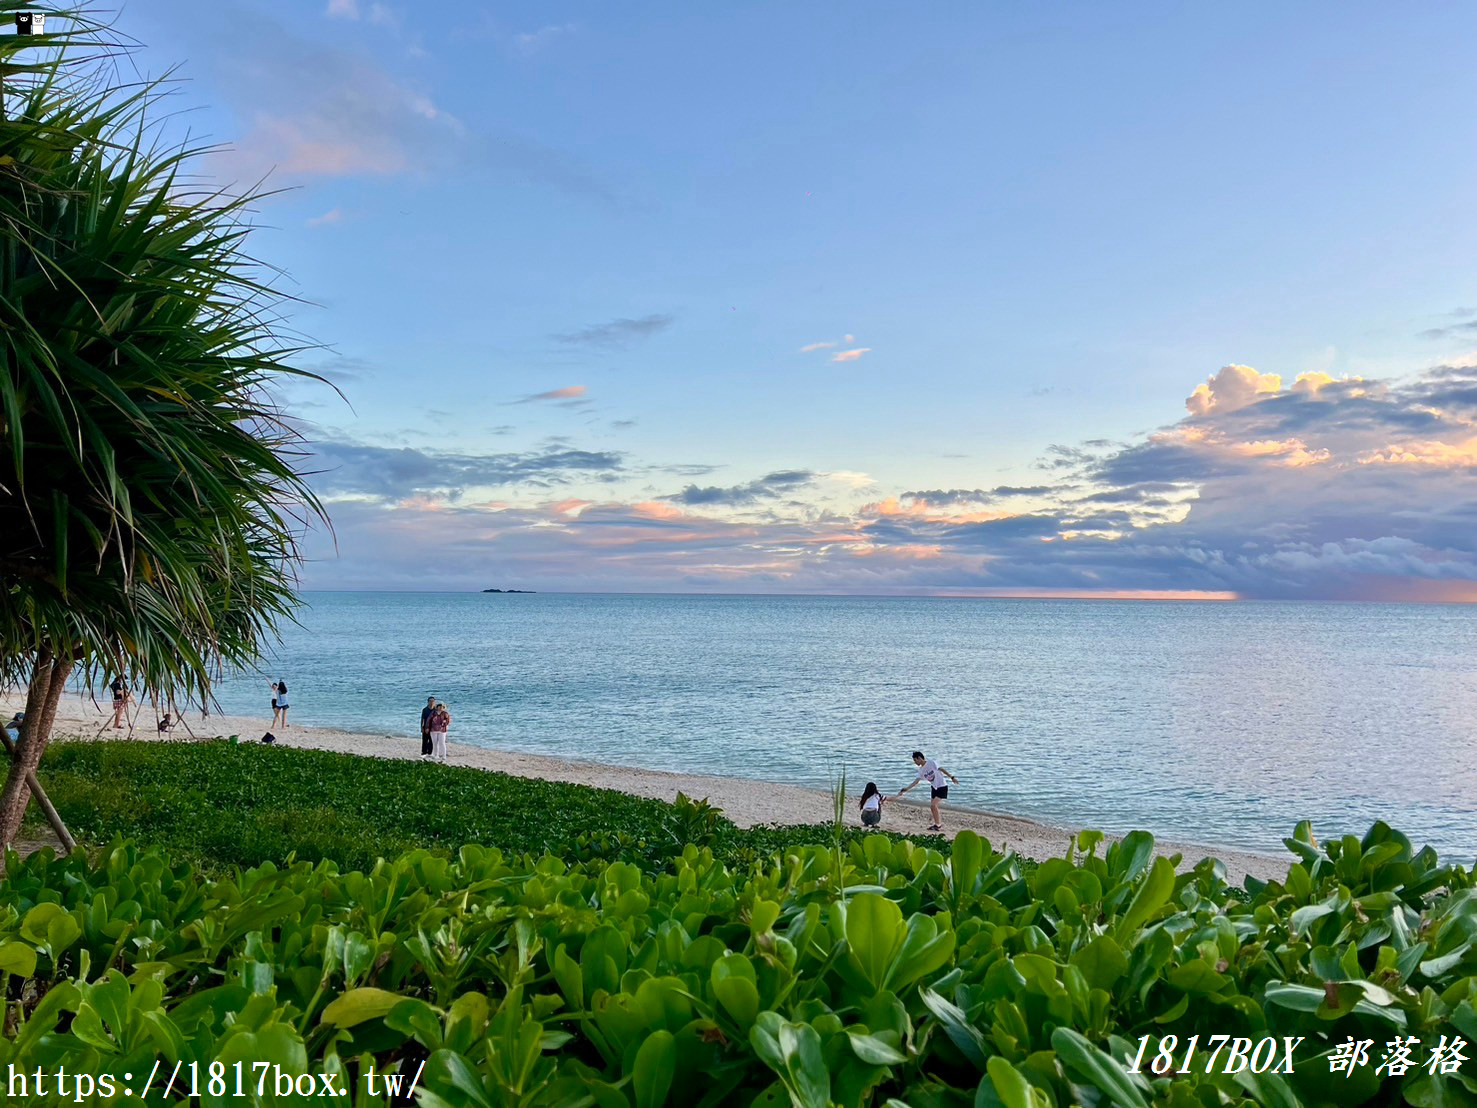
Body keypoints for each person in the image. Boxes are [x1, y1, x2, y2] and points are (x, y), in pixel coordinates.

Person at [894, 750, 960, 833]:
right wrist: (906, 789)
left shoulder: (931, 763)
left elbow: (941, 769)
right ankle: (937, 824)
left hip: (942, 786)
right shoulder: (921, 770)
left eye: (915, 760)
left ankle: (938, 825)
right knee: (932, 807)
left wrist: (952, 777)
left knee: (933, 805)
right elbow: (916, 781)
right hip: (934, 788)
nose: (915, 762)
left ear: (919, 758)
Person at [419, 695, 436, 759]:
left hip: (433, 727)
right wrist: (422, 727)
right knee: (425, 740)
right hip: (425, 727)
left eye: (433, 701)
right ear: (428, 702)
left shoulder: (436, 710)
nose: (431, 702)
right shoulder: (425, 710)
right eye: (430, 701)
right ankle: (424, 752)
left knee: (432, 741)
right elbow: (422, 719)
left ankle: (430, 752)